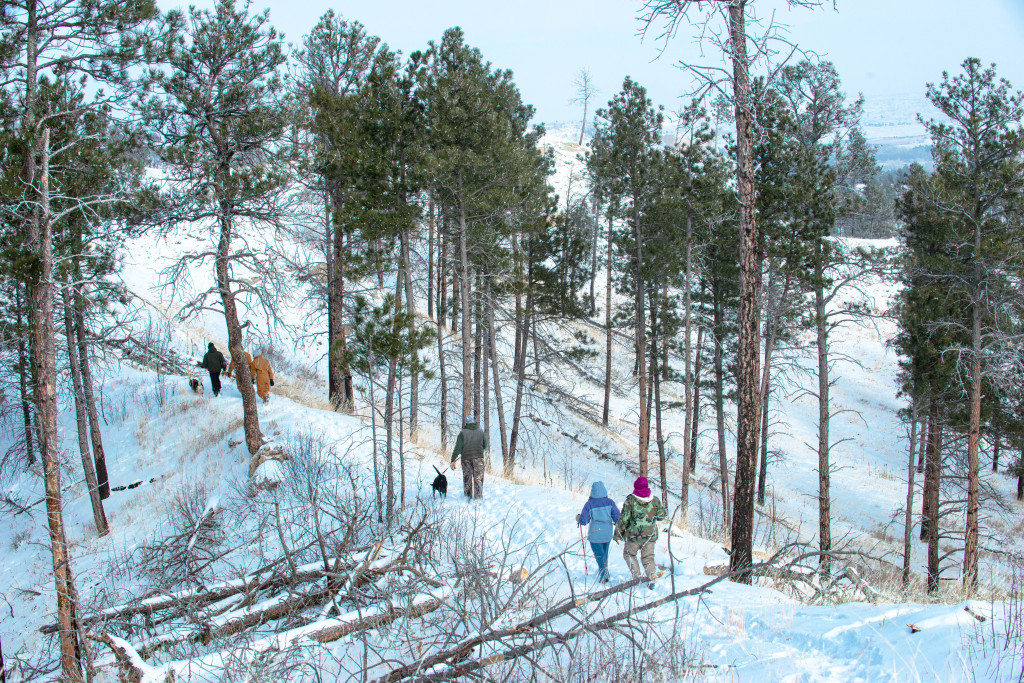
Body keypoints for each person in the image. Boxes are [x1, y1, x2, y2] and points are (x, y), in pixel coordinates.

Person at [614, 476, 667, 588]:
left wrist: (617, 534)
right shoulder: (655, 500)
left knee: (629, 554)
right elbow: (661, 516)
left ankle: (637, 577)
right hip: (650, 535)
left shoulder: (631, 500)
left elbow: (624, 519)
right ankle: (651, 578)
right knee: (648, 557)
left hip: (634, 536)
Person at [576, 481, 620, 583]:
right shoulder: (610, 502)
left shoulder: (589, 504)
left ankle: (604, 574)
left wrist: (578, 518)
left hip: (595, 534)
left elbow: (584, 521)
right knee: (604, 554)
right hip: (607, 533)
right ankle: (604, 571)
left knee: (599, 555)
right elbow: (617, 518)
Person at [450, 414, 486, 500]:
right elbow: (485, 445)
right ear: (474, 422)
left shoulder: (462, 433)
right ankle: (478, 499)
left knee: (467, 478)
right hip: (479, 459)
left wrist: (453, 460)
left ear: (466, 423)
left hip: (466, 459)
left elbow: (457, 448)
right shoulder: (481, 432)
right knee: (478, 479)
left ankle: (467, 498)